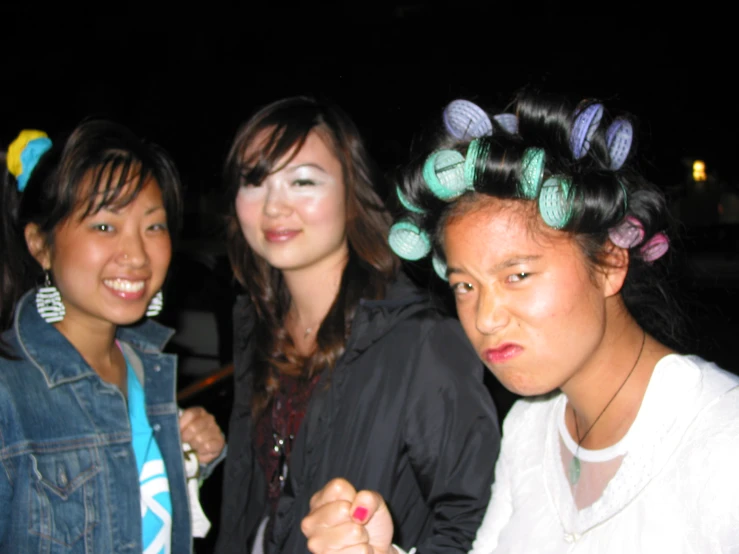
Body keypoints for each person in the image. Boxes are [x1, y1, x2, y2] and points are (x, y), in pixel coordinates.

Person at [300, 94, 739, 553]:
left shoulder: (724, 440)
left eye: (518, 276)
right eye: (464, 286)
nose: (485, 318)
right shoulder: (531, 428)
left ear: (609, 262)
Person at [214, 96, 501, 554]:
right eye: (254, 182)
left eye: (303, 180)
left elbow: (476, 518)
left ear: (351, 194)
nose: (274, 206)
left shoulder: (420, 337)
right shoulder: (256, 323)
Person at [0, 122, 226, 553]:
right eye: (105, 227)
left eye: (154, 227)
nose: (138, 255)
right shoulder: (10, 394)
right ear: (39, 245)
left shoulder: (145, 365)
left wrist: (197, 460)